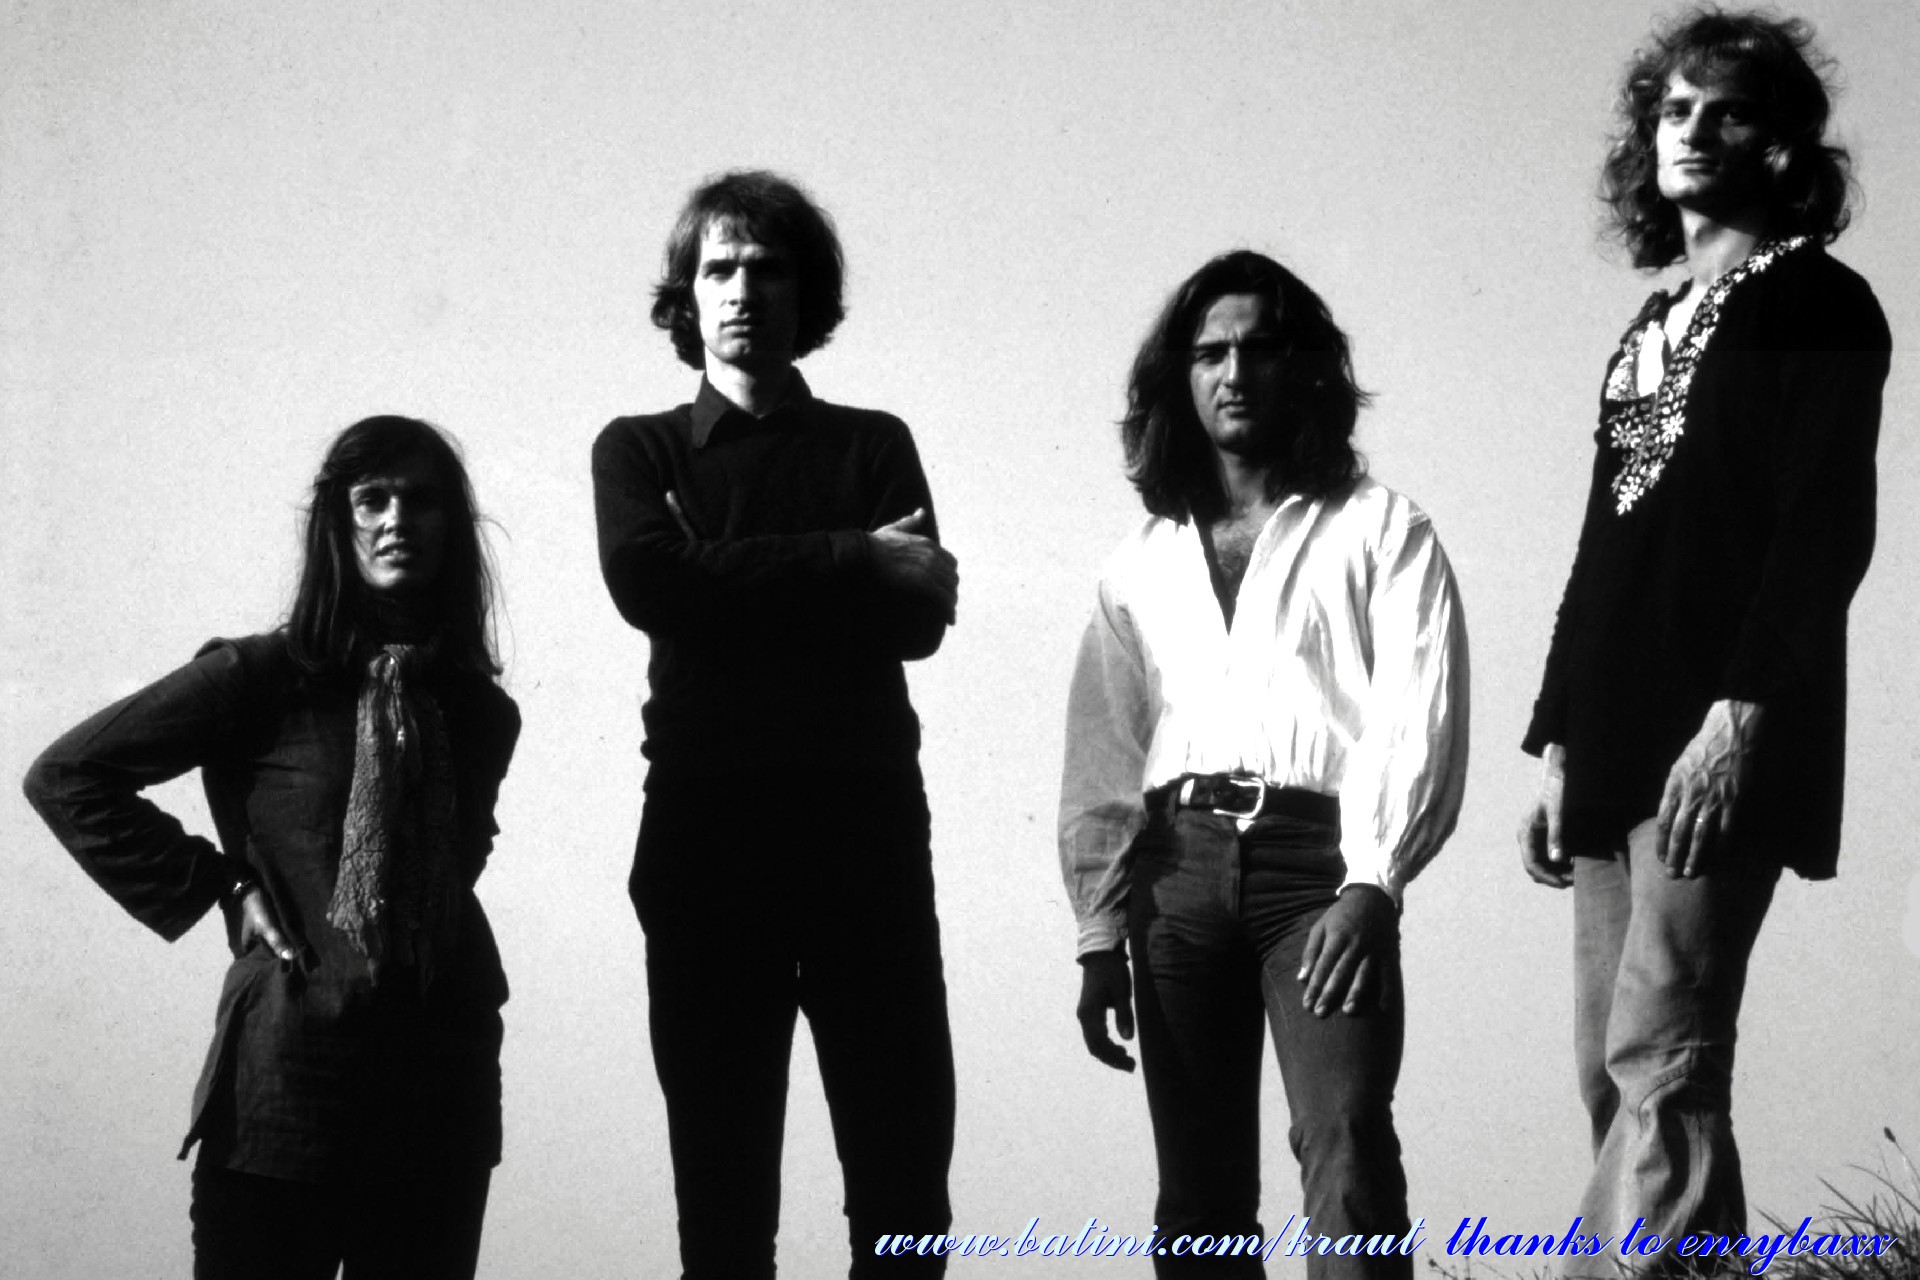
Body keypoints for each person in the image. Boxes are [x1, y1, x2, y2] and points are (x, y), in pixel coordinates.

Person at [1518, 9, 1890, 1263]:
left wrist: (1738, 721)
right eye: (1674, 110)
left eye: (1727, 111)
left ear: (1780, 145)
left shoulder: (1820, 302)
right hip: (1611, 739)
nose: (1692, 130)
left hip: (1721, 734)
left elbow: (1824, 529)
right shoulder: (1646, 330)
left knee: (1664, 1052)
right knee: (1608, 1070)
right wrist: (1556, 739)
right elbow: (1602, 549)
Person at [23, 416, 521, 1280]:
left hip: (439, 1093)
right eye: (372, 499)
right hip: (287, 1090)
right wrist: (218, 886)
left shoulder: (480, 712)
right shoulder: (262, 675)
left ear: (452, 523)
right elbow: (69, 776)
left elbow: (457, 864)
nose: (397, 519)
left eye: (421, 500)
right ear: (337, 521)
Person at [1060, 250, 1469, 1277]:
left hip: (1320, 871)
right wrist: (1099, 931)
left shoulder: (1382, 528)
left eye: (1258, 348)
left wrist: (1374, 881)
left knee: (1347, 1145)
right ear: (1181, 377)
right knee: (1198, 1193)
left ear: (1304, 367)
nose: (1234, 372)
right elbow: (1102, 755)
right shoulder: (1139, 561)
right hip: (1175, 873)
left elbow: (1418, 713)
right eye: (1210, 353)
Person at [591, 170, 959, 1279]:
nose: (743, 290)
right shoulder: (638, 450)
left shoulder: (873, 443)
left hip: (864, 840)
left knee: (903, 1195)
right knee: (723, 1204)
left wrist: (721, 571)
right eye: (719, 269)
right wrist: (850, 556)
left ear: (808, 293)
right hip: (707, 844)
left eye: (767, 268)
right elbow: (650, 584)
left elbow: (919, 620)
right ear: (687, 296)